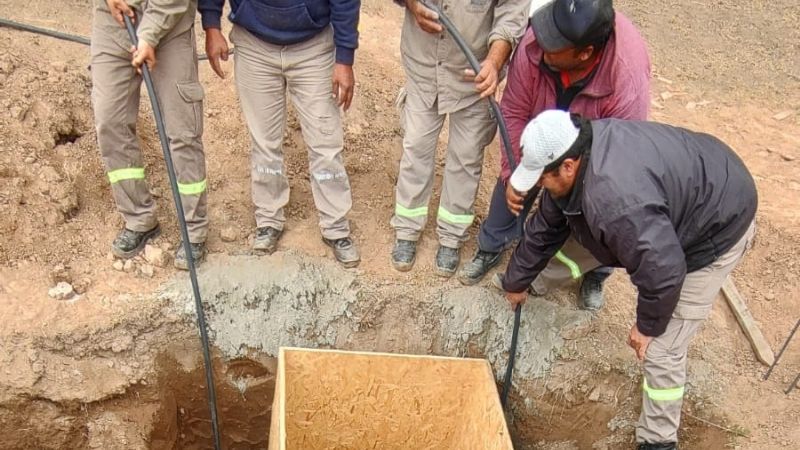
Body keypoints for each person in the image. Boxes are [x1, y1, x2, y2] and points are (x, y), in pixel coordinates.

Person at [497, 110, 757, 450]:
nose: (539, 186)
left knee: (662, 349)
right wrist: (517, 280)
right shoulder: (579, 154)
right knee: (590, 232)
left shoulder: (615, 202)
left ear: (568, 166)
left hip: (718, 221)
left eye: (542, 178)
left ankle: (657, 441)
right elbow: (546, 225)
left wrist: (647, 326)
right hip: (692, 182)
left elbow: (665, 271)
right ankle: (536, 282)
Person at [458, 0, 651, 314]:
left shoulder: (625, 80)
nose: (540, 41)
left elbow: (617, 157)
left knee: (594, 218)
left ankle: (595, 274)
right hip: (541, 129)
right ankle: (492, 245)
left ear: (584, 52)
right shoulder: (538, 42)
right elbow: (515, 111)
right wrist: (513, 174)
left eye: (554, 44)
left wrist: (571, 190)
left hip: (593, 148)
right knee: (511, 194)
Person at [199, 0, 361, 267]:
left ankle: (336, 228)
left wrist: (344, 58)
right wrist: (211, 24)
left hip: (314, 47)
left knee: (325, 143)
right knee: (263, 141)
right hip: (254, 44)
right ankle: (268, 220)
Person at [390, 0, 529, 277]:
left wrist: (494, 60)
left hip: (473, 76)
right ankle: (407, 228)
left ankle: (452, 236)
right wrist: (413, 6)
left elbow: (513, 11)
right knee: (416, 146)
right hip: (423, 65)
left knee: (465, 157)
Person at [94, 0, 209, 270]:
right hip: (113, 21)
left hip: (171, 21)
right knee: (110, 121)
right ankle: (139, 219)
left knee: (182, 130)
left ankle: (193, 229)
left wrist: (149, 34)